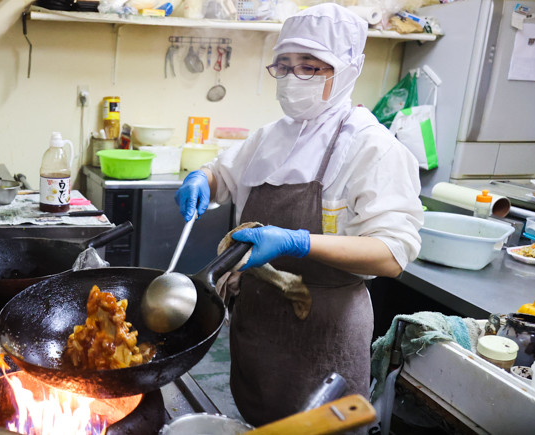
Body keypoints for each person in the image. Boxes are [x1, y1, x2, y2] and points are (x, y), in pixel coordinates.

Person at [174, 3, 424, 428]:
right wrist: (201, 178)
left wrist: (298, 241)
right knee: (256, 421)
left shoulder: (374, 149)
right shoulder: (271, 136)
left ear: (346, 69)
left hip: (322, 336)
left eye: (310, 67)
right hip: (258, 326)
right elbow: (223, 174)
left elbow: (393, 252)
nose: (293, 79)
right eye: (284, 66)